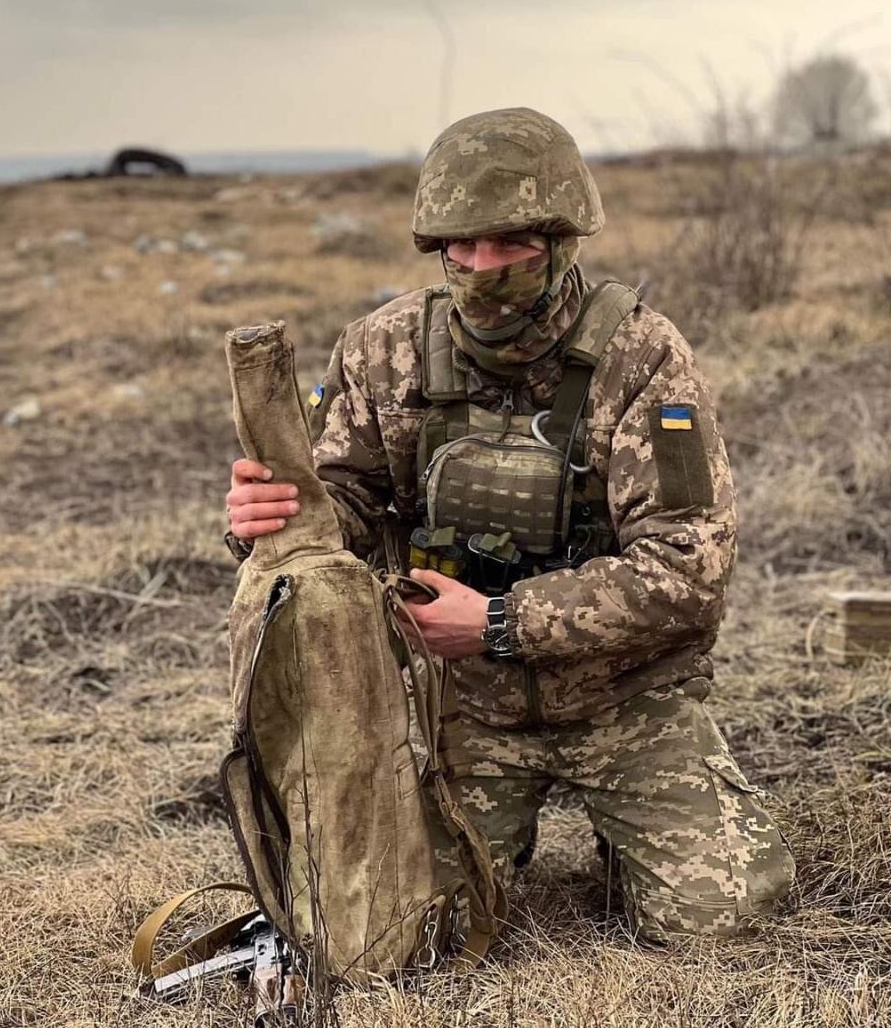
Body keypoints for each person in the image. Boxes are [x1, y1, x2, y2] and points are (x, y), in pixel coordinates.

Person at [225, 107, 794, 942]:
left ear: (563, 241)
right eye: (463, 247)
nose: (483, 267)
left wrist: (494, 622)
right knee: (404, 930)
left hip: (624, 697)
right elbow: (342, 506)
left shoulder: (642, 357)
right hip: (464, 709)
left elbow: (686, 570)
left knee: (723, 916)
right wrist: (271, 520)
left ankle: (632, 821)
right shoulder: (383, 350)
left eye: (511, 245)